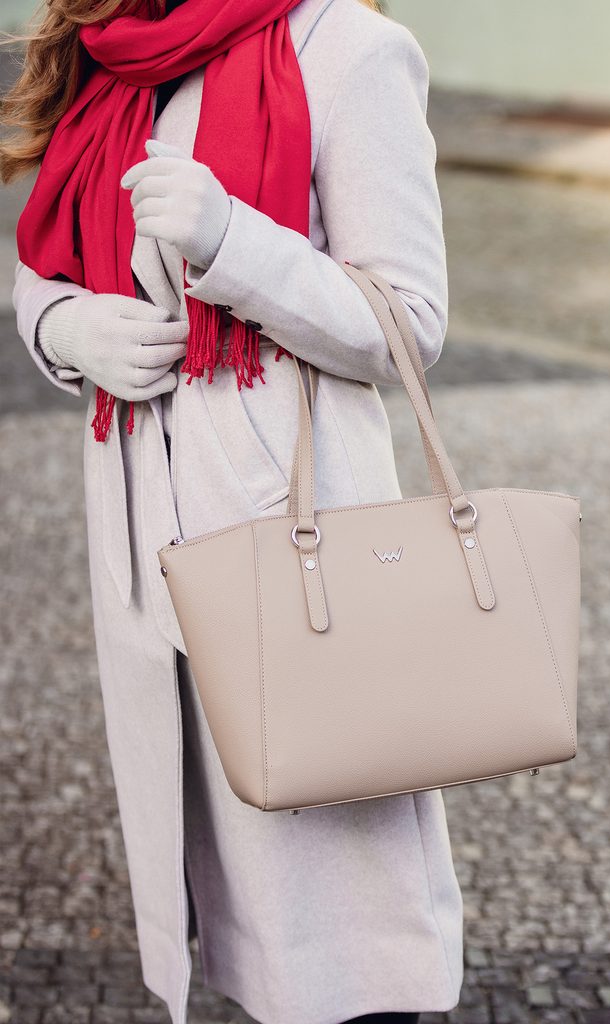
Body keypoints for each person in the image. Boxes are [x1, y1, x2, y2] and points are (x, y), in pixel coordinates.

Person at [2, 0, 464, 1022]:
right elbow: (42, 263)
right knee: (230, 907)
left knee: (337, 914)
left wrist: (231, 242)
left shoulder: (350, 51)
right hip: (144, 533)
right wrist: (66, 328)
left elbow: (409, 322)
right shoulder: (115, 47)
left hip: (288, 536)